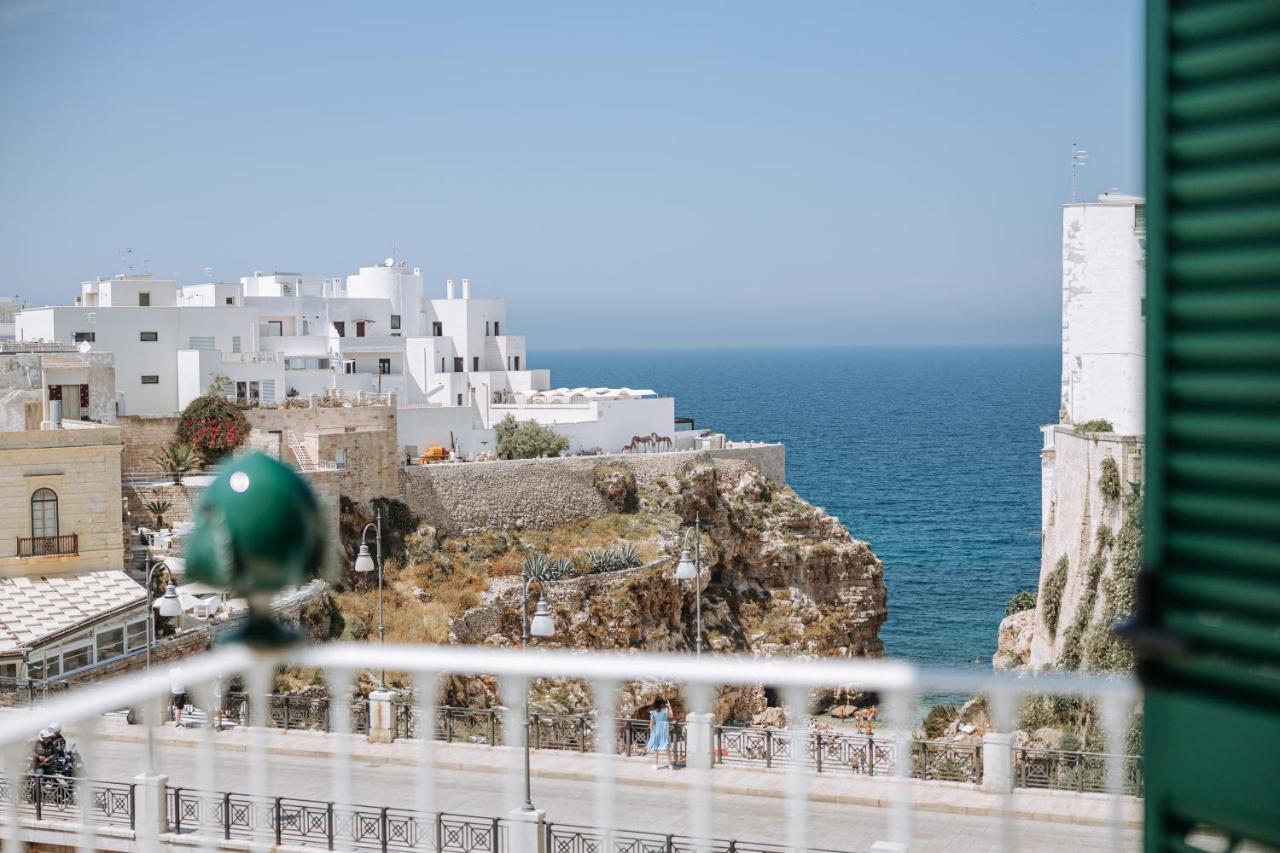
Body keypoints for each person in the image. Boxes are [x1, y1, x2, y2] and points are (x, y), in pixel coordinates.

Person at [646, 696, 673, 770]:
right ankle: (670, 764)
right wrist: (669, 706)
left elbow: (651, 724)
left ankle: (656, 764)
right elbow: (671, 715)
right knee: (667, 747)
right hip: (664, 731)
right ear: (662, 703)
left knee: (656, 747)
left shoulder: (653, 712)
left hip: (656, 730)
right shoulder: (665, 710)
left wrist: (651, 733)